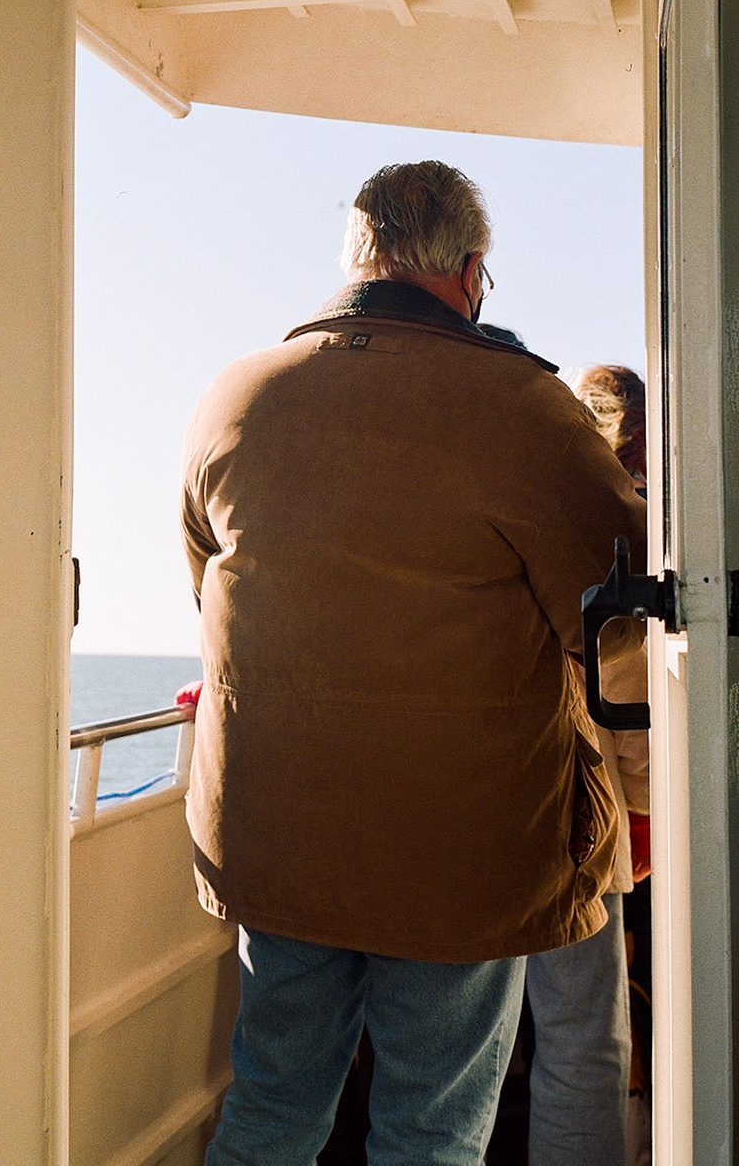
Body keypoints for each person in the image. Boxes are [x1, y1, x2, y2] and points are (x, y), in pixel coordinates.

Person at [182, 161, 648, 1166]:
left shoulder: (236, 395)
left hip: (275, 831)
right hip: (460, 848)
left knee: (269, 1112)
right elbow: (614, 616)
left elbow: (209, 586)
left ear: (359, 255)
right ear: (472, 272)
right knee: (430, 1132)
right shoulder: (524, 407)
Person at [521, 365, 652, 1166]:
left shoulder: (519, 492)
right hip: (574, 809)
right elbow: (628, 701)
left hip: (464, 796)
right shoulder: (622, 526)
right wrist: (642, 807)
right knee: (580, 1033)